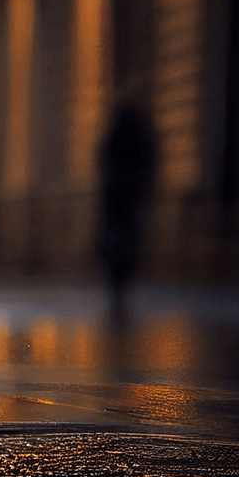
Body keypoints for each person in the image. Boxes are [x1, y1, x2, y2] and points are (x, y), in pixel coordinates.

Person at [96, 104, 156, 326]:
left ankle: (117, 288)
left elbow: (102, 160)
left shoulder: (115, 136)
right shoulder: (137, 138)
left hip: (118, 202)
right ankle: (120, 289)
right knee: (124, 246)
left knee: (117, 247)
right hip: (127, 202)